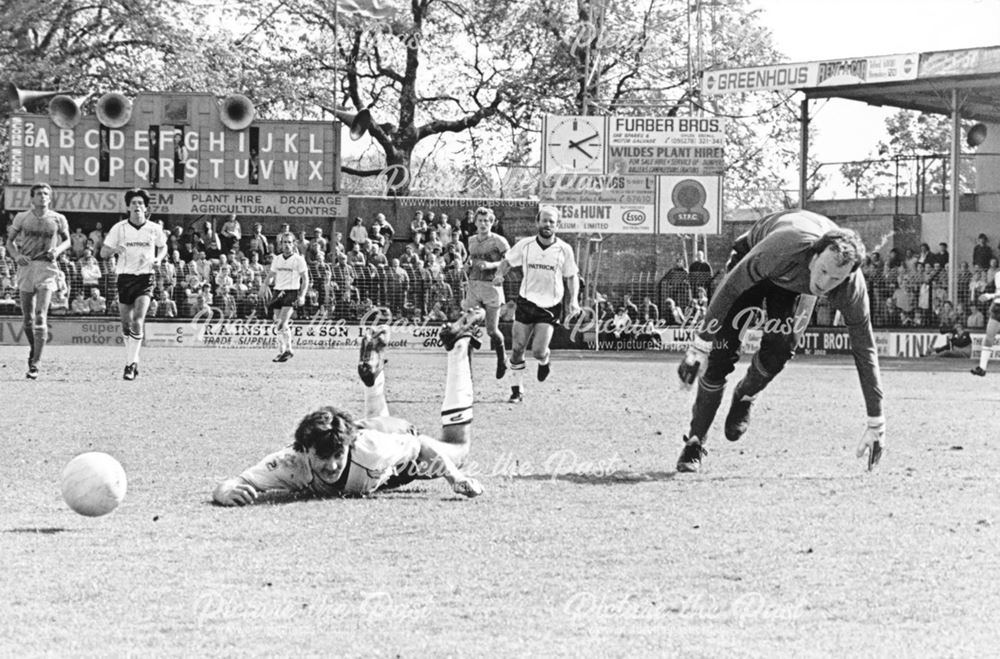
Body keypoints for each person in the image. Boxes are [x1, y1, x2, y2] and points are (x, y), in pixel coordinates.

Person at [675, 209, 885, 473]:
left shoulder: (851, 286)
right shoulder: (781, 248)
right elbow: (729, 288)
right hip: (757, 261)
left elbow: (864, 348)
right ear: (815, 255)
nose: (824, 283)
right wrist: (700, 346)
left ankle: (745, 395)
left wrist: (876, 422)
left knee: (780, 351)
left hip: (794, 284)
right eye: (823, 271)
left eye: (836, 279)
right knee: (720, 353)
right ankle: (695, 441)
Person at [211, 310, 487, 505]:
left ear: (347, 446)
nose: (331, 466)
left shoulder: (373, 449)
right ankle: (374, 379)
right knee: (375, 440)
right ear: (304, 450)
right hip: (366, 439)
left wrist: (456, 478)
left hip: (388, 439)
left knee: (458, 449)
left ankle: (459, 347)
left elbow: (422, 445)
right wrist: (225, 492)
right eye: (322, 456)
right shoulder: (289, 463)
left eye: (336, 455)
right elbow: (235, 482)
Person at [493, 206, 581, 403]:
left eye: (552, 221)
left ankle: (544, 360)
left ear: (557, 225)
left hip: (550, 306)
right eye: (544, 221)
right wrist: (499, 275)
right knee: (517, 349)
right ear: (537, 222)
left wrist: (573, 300)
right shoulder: (526, 245)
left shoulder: (564, 249)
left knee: (539, 350)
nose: (548, 225)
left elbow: (571, 276)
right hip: (526, 302)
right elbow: (507, 261)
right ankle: (517, 390)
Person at [100, 188, 168, 380]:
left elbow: (163, 246)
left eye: (141, 203)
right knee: (126, 325)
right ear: (128, 206)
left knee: (138, 320)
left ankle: (130, 365)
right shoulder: (119, 228)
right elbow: (103, 253)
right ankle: (133, 359)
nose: (137, 206)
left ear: (146, 207)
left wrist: (159, 259)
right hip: (124, 278)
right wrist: (115, 249)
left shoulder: (154, 228)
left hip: (145, 278)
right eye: (134, 203)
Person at [6, 182, 71, 379]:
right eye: (39, 194)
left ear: (49, 198)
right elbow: (9, 242)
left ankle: (35, 363)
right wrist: (16, 256)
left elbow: (67, 240)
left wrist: (57, 250)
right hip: (27, 268)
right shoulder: (22, 217)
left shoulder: (58, 218)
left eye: (45, 194)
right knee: (28, 318)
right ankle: (34, 349)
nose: (42, 196)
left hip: (47, 268)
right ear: (32, 198)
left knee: (41, 315)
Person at [462, 206, 512, 379]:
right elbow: (470, 259)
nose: (483, 224)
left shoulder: (499, 241)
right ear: (475, 222)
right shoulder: (471, 240)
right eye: (480, 221)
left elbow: (509, 261)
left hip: (492, 287)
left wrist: (492, 266)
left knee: (492, 330)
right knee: (468, 328)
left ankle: (502, 358)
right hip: (474, 286)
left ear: (492, 223)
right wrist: (467, 265)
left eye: (487, 221)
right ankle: (466, 371)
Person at [261, 232, 309, 362]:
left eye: (289, 242)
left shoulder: (299, 260)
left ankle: (288, 350)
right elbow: (271, 274)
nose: (287, 245)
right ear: (280, 244)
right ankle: (282, 351)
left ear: (294, 244)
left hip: (291, 292)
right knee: (278, 323)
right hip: (278, 292)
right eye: (284, 242)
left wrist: (302, 295)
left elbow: (305, 279)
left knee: (282, 322)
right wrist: (264, 285)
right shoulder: (277, 259)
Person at [970, 266, 1000, 376]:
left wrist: (989, 296)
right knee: (989, 337)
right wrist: (992, 303)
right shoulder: (997, 275)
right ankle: (982, 368)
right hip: (997, 308)